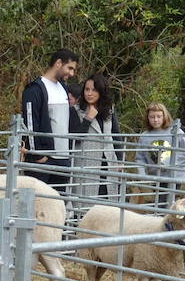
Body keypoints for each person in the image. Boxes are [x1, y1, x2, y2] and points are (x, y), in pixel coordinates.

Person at [20, 48, 79, 193]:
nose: (71, 73)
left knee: (59, 206)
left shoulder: (64, 88)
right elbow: (30, 123)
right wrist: (37, 155)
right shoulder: (35, 89)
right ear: (58, 63)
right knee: (37, 204)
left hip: (63, 158)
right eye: (69, 68)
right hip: (43, 160)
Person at [70, 72, 120, 204]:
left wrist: (120, 160)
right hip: (86, 164)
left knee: (108, 203)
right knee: (85, 204)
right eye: (87, 89)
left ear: (101, 91)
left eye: (94, 90)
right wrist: (88, 118)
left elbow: (116, 135)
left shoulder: (110, 110)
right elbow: (75, 138)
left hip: (108, 163)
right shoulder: (75, 110)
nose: (89, 93)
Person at [133, 102, 185, 208]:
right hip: (156, 176)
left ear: (164, 116)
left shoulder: (175, 131)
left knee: (164, 203)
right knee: (160, 201)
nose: (155, 120)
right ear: (147, 118)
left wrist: (168, 162)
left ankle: (163, 221)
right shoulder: (145, 136)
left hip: (173, 175)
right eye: (152, 117)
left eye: (158, 116)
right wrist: (142, 174)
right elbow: (140, 157)